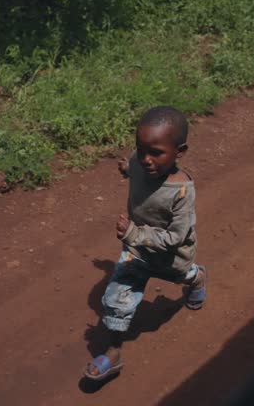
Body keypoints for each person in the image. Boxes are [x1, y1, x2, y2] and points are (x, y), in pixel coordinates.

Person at [83, 106, 207, 381]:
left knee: (181, 275)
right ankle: (113, 353)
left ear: (180, 152)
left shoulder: (182, 192)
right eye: (140, 150)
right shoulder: (139, 163)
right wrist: (129, 169)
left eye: (156, 153)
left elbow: (175, 238)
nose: (146, 159)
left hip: (170, 258)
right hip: (137, 253)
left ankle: (196, 278)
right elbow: (137, 167)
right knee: (117, 298)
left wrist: (132, 234)